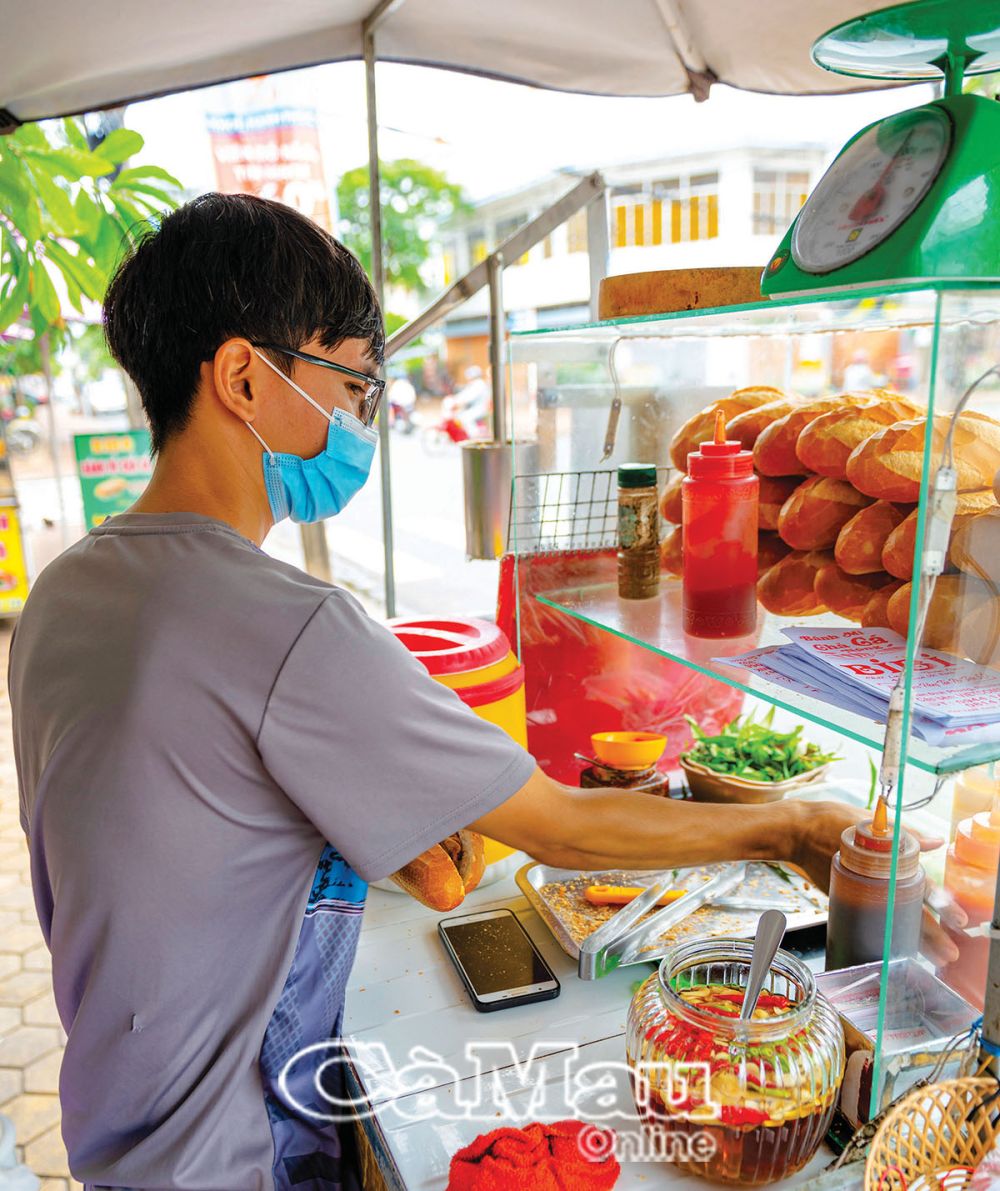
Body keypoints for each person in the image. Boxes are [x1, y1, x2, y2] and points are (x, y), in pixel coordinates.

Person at [7, 193, 883, 1190]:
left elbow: (179, 825)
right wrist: (788, 829)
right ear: (244, 377)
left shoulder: (65, 591)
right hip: (228, 1150)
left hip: (118, 1121)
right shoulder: (283, 624)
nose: (359, 425)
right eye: (353, 388)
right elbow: (558, 828)